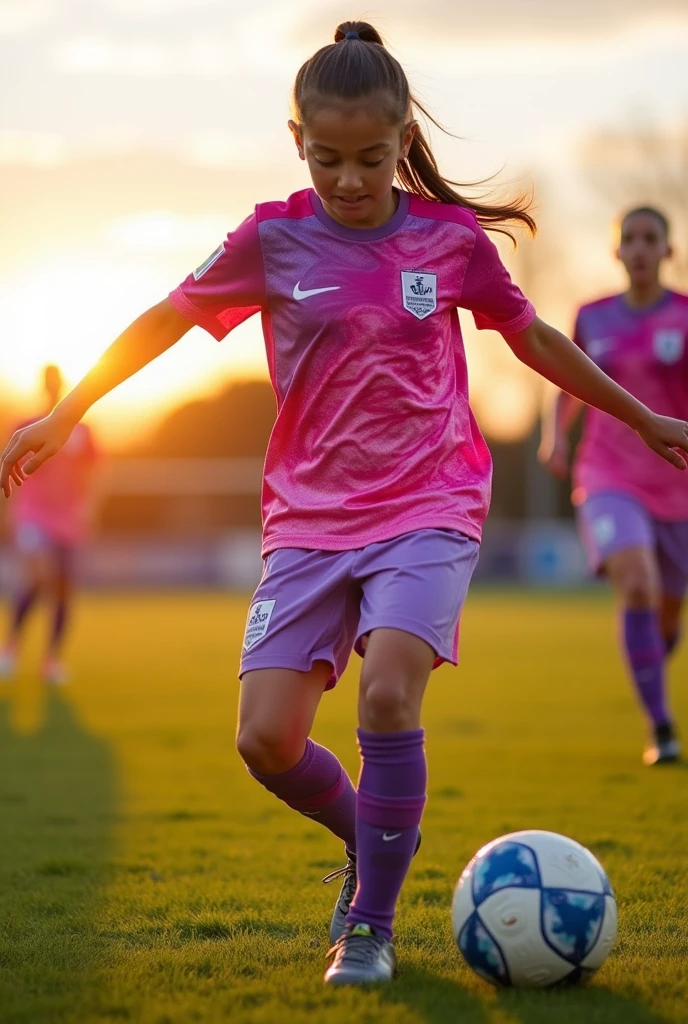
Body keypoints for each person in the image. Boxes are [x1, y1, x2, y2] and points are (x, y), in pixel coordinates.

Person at [2, 22, 688, 986]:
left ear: (404, 139)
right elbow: (164, 317)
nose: (350, 179)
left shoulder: (448, 242)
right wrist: (68, 410)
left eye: (371, 157)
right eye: (328, 158)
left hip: (430, 501)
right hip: (309, 522)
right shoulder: (271, 238)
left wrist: (644, 413)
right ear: (297, 141)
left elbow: (532, 341)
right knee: (265, 739)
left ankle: (368, 926)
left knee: (388, 689)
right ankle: (372, 838)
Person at [540, 206, 688, 767]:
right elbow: (569, 382)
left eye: (652, 238)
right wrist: (557, 435)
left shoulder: (685, 316)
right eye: (631, 238)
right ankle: (663, 728)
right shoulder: (593, 317)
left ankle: (650, 655)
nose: (641, 248)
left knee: (667, 617)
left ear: (667, 251)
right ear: (617, 251)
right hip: (608, 475)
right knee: (638, 579)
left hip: (677, 479)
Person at [0, 365, 99, 685]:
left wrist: (90, 506)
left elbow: (95, 471)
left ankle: (51, 660)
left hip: (69, 519)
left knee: (64, 588)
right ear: (44, 387)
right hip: (34, 515)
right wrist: (11, 512)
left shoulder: (81, 430)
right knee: (39, 578)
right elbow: (11, 468)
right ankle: (11, 647)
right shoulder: (27, 426)